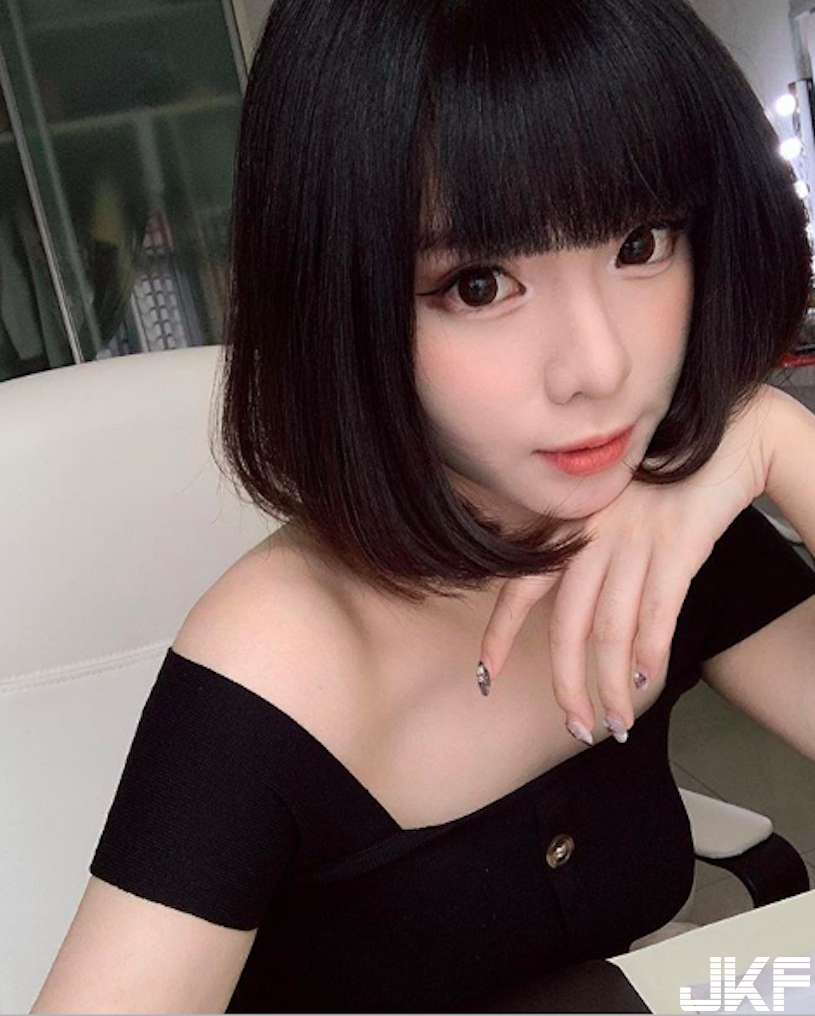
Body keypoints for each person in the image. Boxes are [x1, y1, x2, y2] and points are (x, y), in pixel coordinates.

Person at [30, 0, 815, 1013]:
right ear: (338, 303)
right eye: (478, 285)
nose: (597, 366)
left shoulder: (651, 525)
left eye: (638, 243)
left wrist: (774, 438)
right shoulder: (275, 659)